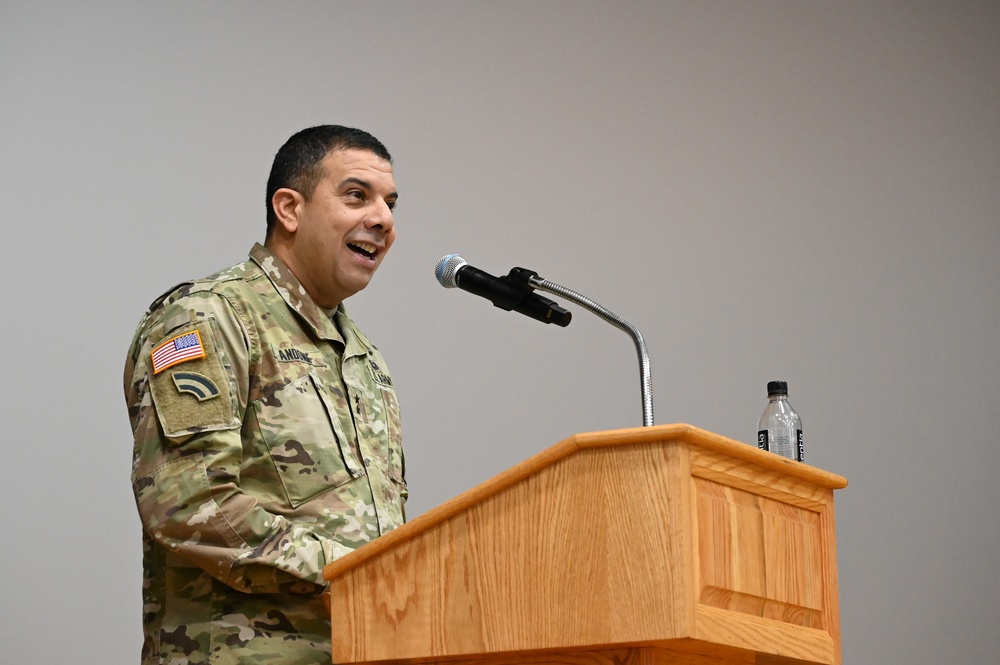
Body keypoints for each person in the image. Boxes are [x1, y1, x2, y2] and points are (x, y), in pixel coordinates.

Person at [123, 125, 407, 664]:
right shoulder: (206, 319)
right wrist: (355, 575)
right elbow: (189, 505)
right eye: (357, 195)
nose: (383, 219)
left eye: (390, 203)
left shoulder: (362, 356)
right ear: (289, 209)